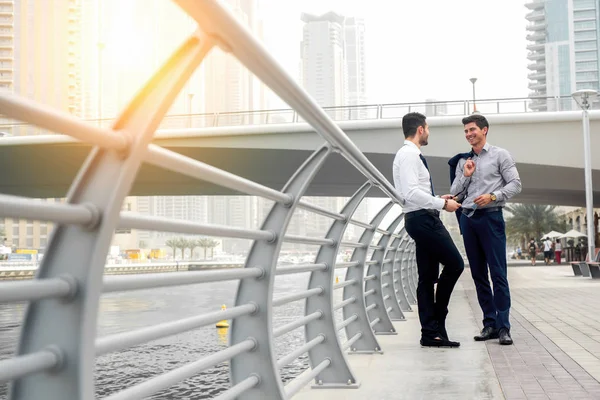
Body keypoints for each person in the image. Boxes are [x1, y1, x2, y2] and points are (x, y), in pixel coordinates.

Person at [393, 112, 465, 348]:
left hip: (421, 216)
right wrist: (444, 204)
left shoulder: (410, 155)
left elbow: (414, 192)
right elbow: (411, 193)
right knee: (455, 264)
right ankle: (437, 320)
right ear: (421, 129)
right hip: (423, 220)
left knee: (427, 277)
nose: (429, 132)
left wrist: (437, 198)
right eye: (428, 128)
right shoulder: (409, 156)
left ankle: (431, 333)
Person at [450, 114, 522, 346]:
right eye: (466, 131)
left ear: (485, 130)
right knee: (479, 275)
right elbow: (455, 193)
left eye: (472, 130)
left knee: (498, 274)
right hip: (469, 220)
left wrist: (493, 196)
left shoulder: (500, 155)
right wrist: (466, 175)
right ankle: (489, 324)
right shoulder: (464, 161)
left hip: (491, 218)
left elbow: (515, 184)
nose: (469, 134)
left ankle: (504, 327)